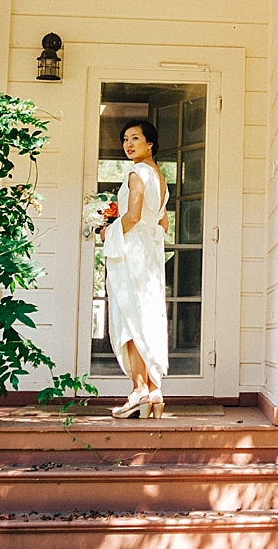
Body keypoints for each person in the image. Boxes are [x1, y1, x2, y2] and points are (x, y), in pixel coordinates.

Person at [100, 119, 170, 418]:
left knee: (129, 317)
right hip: (149, 255)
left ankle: (139, 388)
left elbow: (133, 215)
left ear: (149, 143)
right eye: (125, 139)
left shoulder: (137, 173)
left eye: (135, 139)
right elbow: (162, 223)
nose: (128, 144)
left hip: (132, 254)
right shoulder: (159, 176)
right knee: (145, 317)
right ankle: (153, 390)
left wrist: (106, 232)